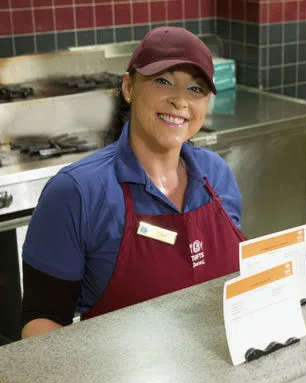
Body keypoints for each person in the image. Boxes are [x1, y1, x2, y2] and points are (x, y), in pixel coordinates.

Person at [20, 27, 245, 338]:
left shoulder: (217, 175)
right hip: (116, 380)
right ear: (128, 87)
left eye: (196, 89)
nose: (180, 100)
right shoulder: (75, 192)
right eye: (163, 81)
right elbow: (40, 321)